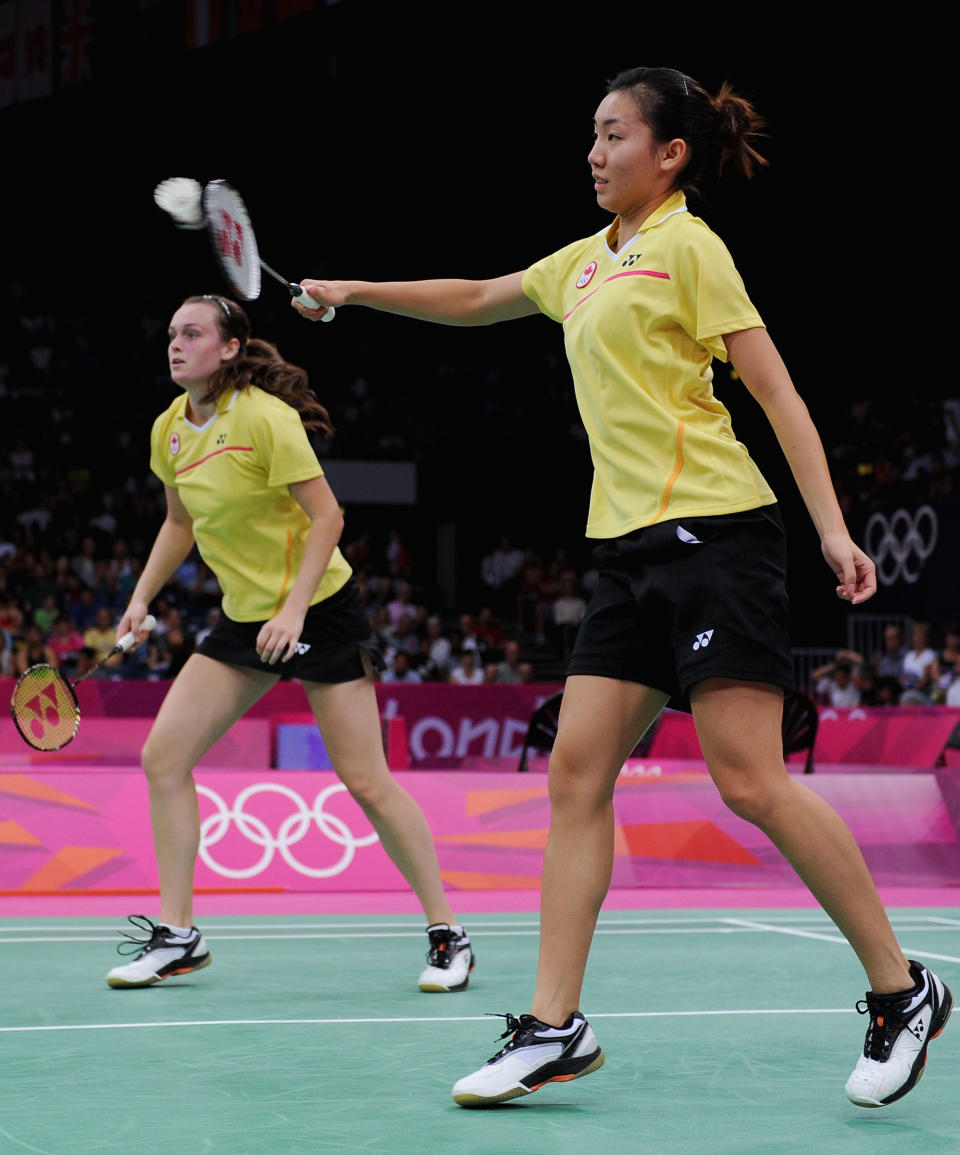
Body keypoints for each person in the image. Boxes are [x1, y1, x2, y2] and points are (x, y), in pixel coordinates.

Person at [291, 67, 952, 1111]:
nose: (594, 155)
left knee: (749, 779)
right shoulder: (587, 264)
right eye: (591, 138)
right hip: (625, 551)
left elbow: (774, 389)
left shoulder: (690, 247)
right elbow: (477, 297)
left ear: (669, 153)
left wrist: (830, 527)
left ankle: (902, 987)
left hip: (717, 536)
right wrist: (354, 290)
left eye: (613, 137)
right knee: (575, 776)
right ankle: (555, 1026)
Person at [105, 294, 472, 995]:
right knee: (164, 756)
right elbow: (179, 523)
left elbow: (328, 515)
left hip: (320, 609)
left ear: (230, 348)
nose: (176, 344)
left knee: (366, 780)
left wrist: (297, 611)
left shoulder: (266, 420)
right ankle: (179, 933)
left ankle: (448, 933)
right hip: (247, 618)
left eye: (193, 333)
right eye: (172, 332)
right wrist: (141, 596)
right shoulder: (169, 431)